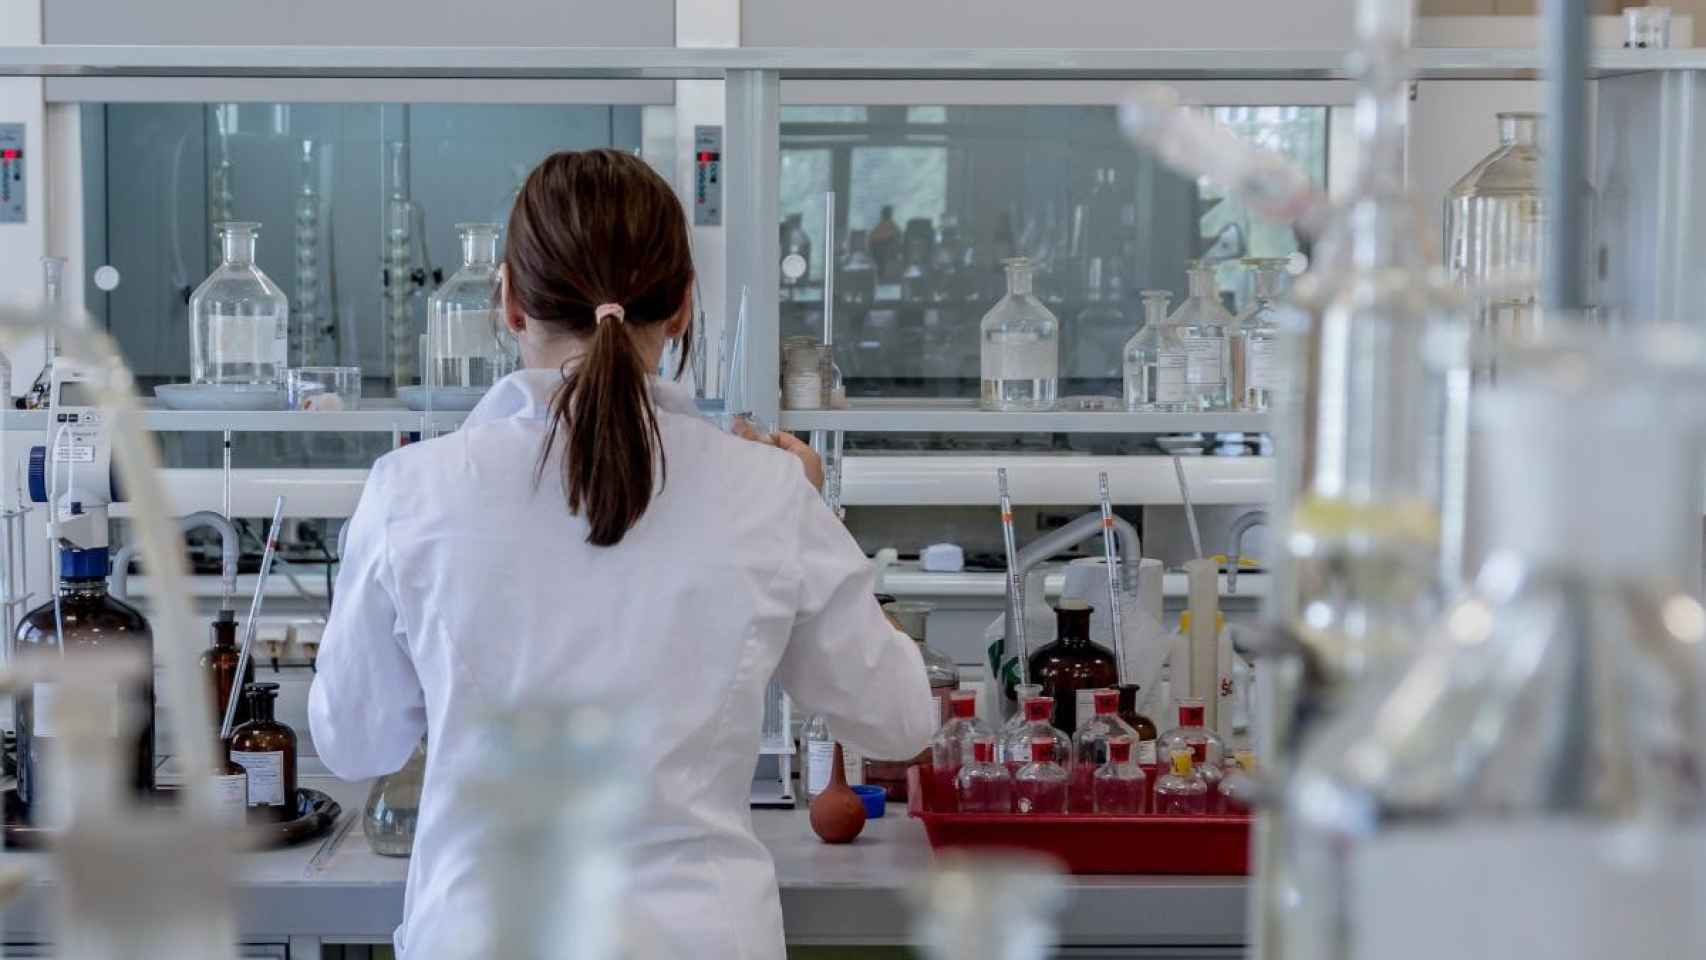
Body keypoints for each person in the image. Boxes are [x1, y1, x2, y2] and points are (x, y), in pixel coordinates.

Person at [308, 149, 937, 959]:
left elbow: (355, 744)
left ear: (508, 300)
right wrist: (818, 512)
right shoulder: (768, 491)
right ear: (680, 307)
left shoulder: (412, 491)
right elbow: (898, 722)